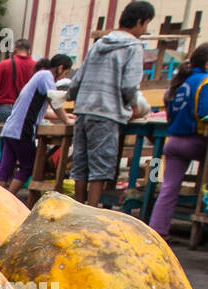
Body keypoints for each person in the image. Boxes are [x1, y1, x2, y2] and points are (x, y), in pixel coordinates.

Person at [70, 1, 156, 207]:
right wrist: (134, 108)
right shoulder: (134, 47)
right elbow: (129, 86)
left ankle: (76, 210)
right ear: (139, 22)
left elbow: (76, 82)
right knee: (100, 168)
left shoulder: (99, 44)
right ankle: (90, 214)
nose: (145, 30)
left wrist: (74, 100)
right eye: (146, 24)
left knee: (80, 165)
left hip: (83, 110)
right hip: (106, 113)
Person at [0, 54, 75, 196]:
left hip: (11, 128)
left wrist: (65, 116)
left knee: (6, 167)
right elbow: (54, 101)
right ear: (61, 67)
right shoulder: (46, 77)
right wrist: (66, 120)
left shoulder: (40, 76)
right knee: (28, 166)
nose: (63, 77)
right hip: (22, 130)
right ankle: (9, 197)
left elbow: (42, 111)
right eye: (65, 73)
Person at [150, 43, 208, 237]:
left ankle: (158, 232)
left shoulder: (178, 83)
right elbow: (205, 114)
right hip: (197, 143)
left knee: (168, 188)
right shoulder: (204, 82)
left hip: (173, 143)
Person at [0, 39, 38, 175]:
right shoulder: (36, 67)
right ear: (29, 50)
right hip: (24, 114)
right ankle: (13, 179)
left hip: (2, 110)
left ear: (15, 50)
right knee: (14, 149)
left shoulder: (4, 65)